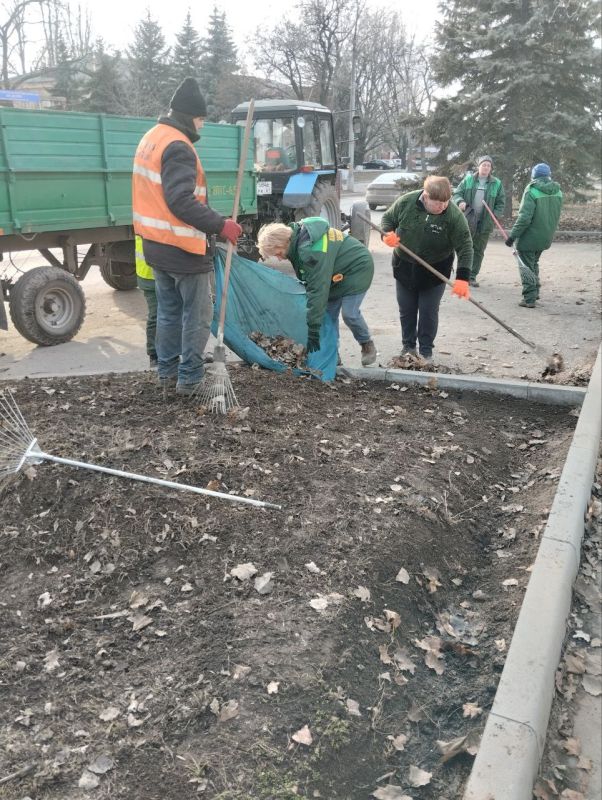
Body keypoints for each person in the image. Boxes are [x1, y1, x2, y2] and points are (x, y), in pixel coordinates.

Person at [132, 77, 242, 395]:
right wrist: (220, 225)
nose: (202, 126)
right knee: (197, 315)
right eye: (201, 119)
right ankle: (191, 378)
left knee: (168, 311)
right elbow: (180, 200)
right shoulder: (178, 145)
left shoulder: (151, 138)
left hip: (155, 246)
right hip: (182, 247)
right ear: (189, 116)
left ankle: (167, 373)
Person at [256, 218, 377, 366]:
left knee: (349, 314)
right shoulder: (298, 240)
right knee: (328, 316)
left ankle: (366, 344)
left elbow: (318, 290)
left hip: (357, 267)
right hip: (333, 274)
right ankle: (332, 354)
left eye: (278, 253)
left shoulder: (310, 251)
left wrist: (313, 330)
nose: (280, 259)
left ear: (283, 243)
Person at [381, 175, 473, 365]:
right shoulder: (407, 202)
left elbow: (465, 246)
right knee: (406, 309)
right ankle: (408, 346)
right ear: (425, 196)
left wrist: (463, 278)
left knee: (428, 311)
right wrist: (387, 234)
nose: (442, 206)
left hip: (435, 270)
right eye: (437, 202)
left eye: (446, 202)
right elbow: (387, 218)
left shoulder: (453, 216)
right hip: (404, 266)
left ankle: (425, 350)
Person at [506, 163, 563, 308]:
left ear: (534, 176)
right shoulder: (558, 191)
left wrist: (512, 236)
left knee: (525, 266)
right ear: (548, 175)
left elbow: (524, 218)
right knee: (533, 263)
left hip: (529, 237)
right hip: (546, 236)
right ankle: (535, 291)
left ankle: (529, 298)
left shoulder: (531, 190)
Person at [452, 155, 505, 286]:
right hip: (468, 219)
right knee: (465, 248)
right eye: (484, 165)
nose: (486, 167)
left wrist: (495, 215)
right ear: (479, 166)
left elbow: (501, 202)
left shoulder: (496, 183)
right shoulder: (468, 180)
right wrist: (460, 201)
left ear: (491, 168)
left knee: (479, 250)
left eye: (488, 165)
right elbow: (457, 194)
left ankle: (472, 276)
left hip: (485, 222)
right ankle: (462, 275)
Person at [134, 235, 158, 368]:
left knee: (165, 315)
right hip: (150, 277)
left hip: (152, 275)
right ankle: (154, 354)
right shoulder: (149, 222)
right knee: (156, 315)